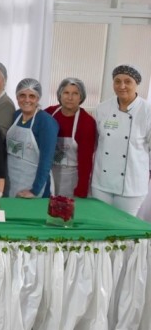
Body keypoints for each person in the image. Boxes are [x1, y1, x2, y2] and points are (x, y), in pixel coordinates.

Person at [91, 65, 151, 216]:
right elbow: (96, 143)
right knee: (101, 222)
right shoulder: (102, 109)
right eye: (117, 81)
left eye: (127, 81)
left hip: (132, 184)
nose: (122, 86)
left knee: (124, 230)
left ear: (136, 83)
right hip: (102, 182)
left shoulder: (147, 111)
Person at [44, 78, 97, 198]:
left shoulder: (86, 122)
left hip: (71, 178)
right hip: (48, 172)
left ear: (81, 97)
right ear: (60, 94)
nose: (70, 97)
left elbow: (86, 160)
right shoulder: (49, 113)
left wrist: (81, 190)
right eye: (66, 93)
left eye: (75, 93)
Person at [5, 78, 58, 198]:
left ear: (38, 98)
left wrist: (34, 190)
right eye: (22, 95)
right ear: (17, 97)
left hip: (35, 186)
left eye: (32, 96)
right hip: (13, 181)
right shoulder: (16, 115)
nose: (27, 100)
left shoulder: (46, 122)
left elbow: (46, 160)